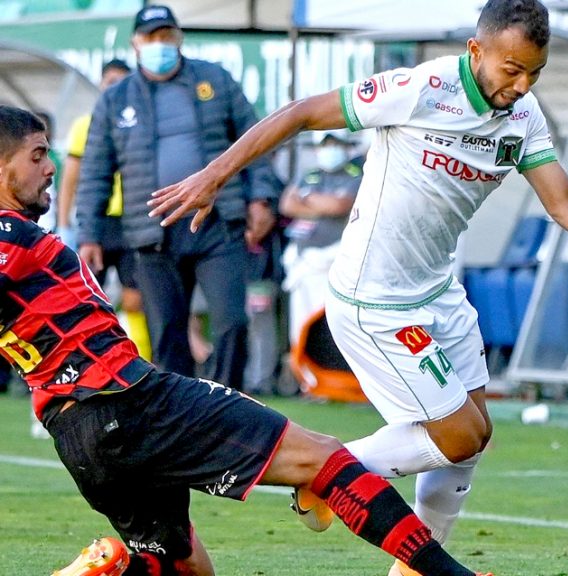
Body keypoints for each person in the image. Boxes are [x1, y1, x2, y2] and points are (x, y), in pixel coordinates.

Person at [147, 1, 568, 574]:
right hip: (376, 301)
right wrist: (214, 175)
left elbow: (562, 200)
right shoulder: (423, 87)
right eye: (511, 69)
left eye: (534, 72)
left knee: (474, 437)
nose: (521, 85)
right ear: (476, 51)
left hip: (438, 292)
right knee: (458, 433)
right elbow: (300, 113)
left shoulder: (523, 116)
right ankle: (326, 471)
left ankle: (412, 567)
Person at [0, 106, 490, 576]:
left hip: (78, 436)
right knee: (323, 458)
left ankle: (113, 568)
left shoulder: (21, 235)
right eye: (38, 155)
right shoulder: (7, 234)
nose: (50, 168)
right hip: (128, 401)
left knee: (186, 568)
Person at [77, 5, 282, 391]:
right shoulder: (115, 99)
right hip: (154, 230)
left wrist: (261, 197)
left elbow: (256, 141)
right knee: (168, 334)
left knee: (231, 323)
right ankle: (184, 424)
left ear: (179, 37)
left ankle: (229, 410)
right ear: (136, 43)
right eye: (151, 37)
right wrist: (88, 234)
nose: (159, 44)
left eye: (166, 35)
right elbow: (95, 172)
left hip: (217, 223)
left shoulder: (215, 81)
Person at [57, 58, 152, 362]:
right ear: (101, 84)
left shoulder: (140, 123)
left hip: (132, 223)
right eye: (110, 81)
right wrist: (65, 225)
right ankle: (79, 372)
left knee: (135, 301)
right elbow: (71, 178)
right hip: (97, 224)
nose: (116, 87)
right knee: (84, 302)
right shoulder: (86, 125)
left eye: (122, 81)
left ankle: (140, 370)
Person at [280, 130, 362, 346]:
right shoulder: (310, 174)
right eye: (326, 144)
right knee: (302, 330)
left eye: (335, 143)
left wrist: (306, 199)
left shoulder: (356, 174)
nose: (330, 149)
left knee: (332, 330)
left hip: (335, 265)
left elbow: (340, 205)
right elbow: (287, 204)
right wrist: (321, 206)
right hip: (304, 262)